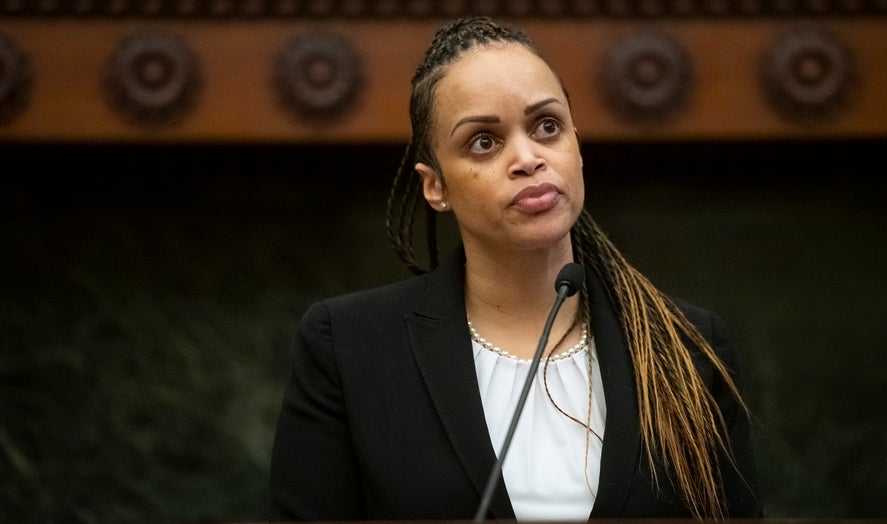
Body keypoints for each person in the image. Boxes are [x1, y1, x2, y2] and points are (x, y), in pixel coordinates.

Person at [269, 16, 762, 522]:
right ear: (435, 186)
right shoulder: (350, 347)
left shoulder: (687, 346)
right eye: (484, 141)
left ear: (577, 145)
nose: (528, 158)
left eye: (548, 127)